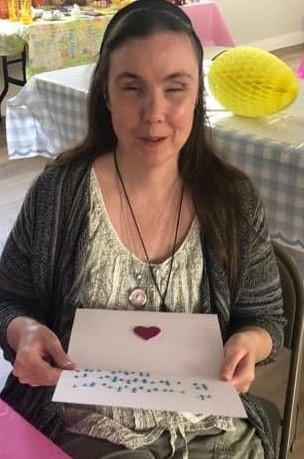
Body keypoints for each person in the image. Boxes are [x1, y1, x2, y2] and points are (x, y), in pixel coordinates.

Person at [0, 1, 285, 458]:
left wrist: (249, 342)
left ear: (197, 95)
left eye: (175, 88)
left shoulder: (232, 197)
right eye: (132, 88)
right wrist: (24, 332)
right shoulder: (61, 192)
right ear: (106, 94)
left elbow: (266, 317)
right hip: (84, 426)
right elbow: (9, 299)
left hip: (210, 430)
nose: (154, 112)